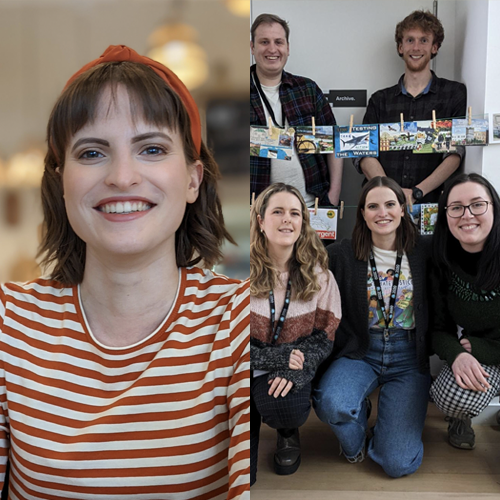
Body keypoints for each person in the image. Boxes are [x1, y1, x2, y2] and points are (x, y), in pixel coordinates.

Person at [0, 45, 249, 500]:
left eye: (151, 148)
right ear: (60, 181)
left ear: (193, 180)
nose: (121, 176)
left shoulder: (236, 321)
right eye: (92, 152)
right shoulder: (8, 323)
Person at [314, 176, 432, 478]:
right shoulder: (342, 253)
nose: (383, 213)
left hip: (409, 358)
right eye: (373, 206)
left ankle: (389, 427)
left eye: (390, 204)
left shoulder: (424, 252)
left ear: (403, 209)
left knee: (398, 464)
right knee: (332, 404)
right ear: (363, 214)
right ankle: (356, 439)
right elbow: (308, 280)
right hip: (361, 351)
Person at [250, 183, 341, 484]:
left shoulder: (320, 276)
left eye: (294, 213)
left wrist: (298, 370)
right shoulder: (234, 271)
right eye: (277, 211)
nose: (287, 219)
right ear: (261, 221)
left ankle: (287, 433)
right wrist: (280, 356)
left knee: (286, 407)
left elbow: (325, 336)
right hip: (236, 369)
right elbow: (226, 341)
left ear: (303, 223)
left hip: (288, 370)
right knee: (240, 480)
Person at [356, 10, 467, 205]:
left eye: (424, 40)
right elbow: (364, 153)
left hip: (433, 205)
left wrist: (417, 192)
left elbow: (455, 152)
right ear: (400, 47)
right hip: (383, 206)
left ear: (435, 47)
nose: (416, 47)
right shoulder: (380, 100)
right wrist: (392, 194)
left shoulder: (453, 94)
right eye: (410, 40)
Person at [429, 173, 500, 450]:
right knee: (451, 398)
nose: (467, 215)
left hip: (488, 348)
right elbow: (437, 328)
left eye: (477, 204)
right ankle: (461, 418)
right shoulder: (442, 259)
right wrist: (457, 354)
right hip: (479, 350)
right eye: (456, 207)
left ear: (493, 206)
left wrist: (485, 350)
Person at [250, 13, 343, 207]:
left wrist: (333, 196)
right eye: (264, 42)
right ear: (252, 47)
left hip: (312, 207)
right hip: (258, 212)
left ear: (288, 48)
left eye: (279, 42)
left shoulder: (307, 90)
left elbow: (334, 142)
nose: (272, 49)